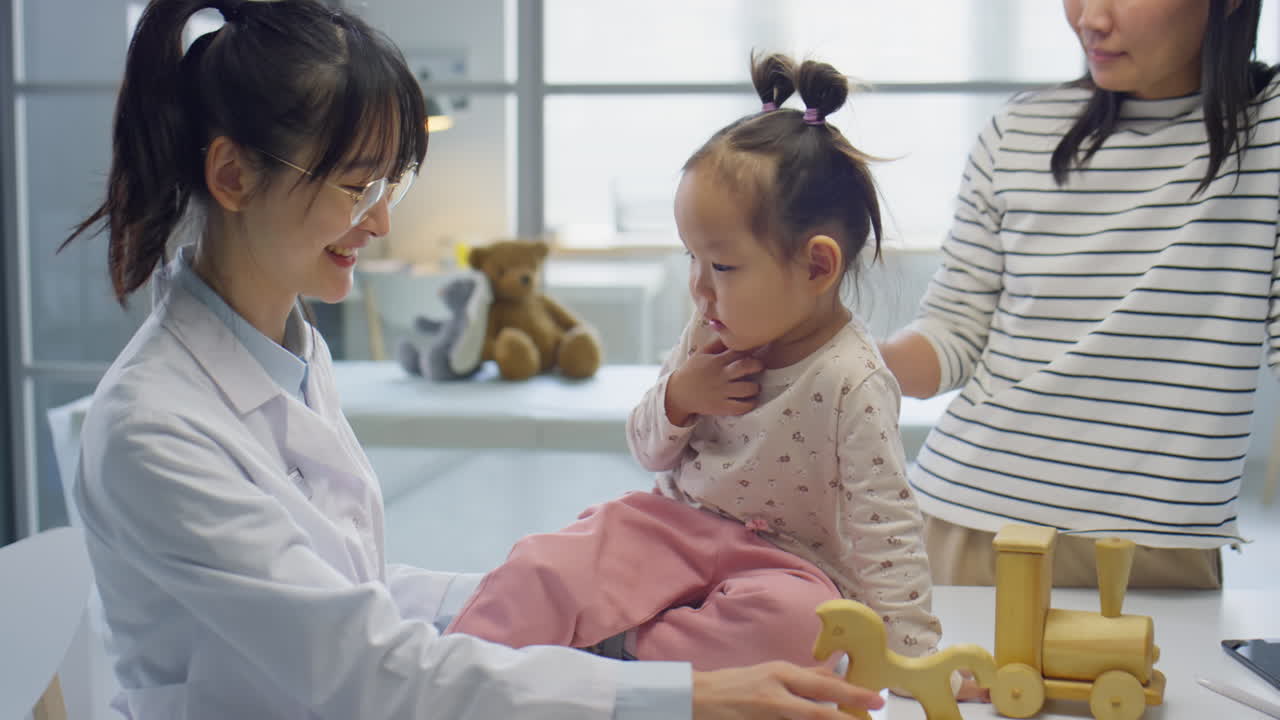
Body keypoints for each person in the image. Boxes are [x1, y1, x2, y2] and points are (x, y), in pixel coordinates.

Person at [64, 2, 886, 718]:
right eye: (358, 188)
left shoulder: (290, 351)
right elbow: (362, 667)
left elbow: (358, 597)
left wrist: (567, 598)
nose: (381, 223)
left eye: (394, 184)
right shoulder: (153, 429)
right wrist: (678, 692)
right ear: (233, 175)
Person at [446, 53, 948, 677]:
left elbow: (887, 532)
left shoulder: (854, 380)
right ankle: (444, 673)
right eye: (692, 259)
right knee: (542, 566)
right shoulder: (710, 331)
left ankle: (620, 649)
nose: (699, 289)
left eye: (724, 267)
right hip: (672, 527)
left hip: (786, 566)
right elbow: (647, 448)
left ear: (817, 266)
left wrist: (916, 658)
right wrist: (680, 397)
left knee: (803, 633)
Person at [878, 0, 1280, 589]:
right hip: (968, 523)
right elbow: (953, 333)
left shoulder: (1266, 134)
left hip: (1158, 551)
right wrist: (834, 359)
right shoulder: (1018, 130)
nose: (1090, 17)